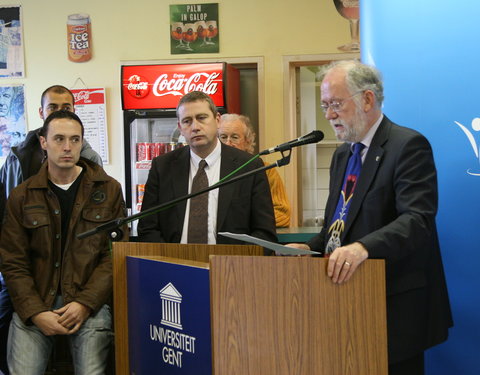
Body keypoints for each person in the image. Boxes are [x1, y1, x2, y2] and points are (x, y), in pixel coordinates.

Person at [288, 60, 452, 375]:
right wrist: (308, 248)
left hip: (392, 307)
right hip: (345, 305)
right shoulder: (342, 155)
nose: (330, 115)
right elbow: (337, 228)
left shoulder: (407, 146)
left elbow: (417, 219)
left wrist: (363, 247)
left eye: (336, 104)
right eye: (325, 106)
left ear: (367, 99)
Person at [0, 110, 126, 374]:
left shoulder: (109, 189)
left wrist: (85, 304)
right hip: (34, 305)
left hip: (88, 305)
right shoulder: (22, 195)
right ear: (43, 142)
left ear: (82, 142)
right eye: (58, 139)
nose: (67, 147)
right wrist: (35, 311)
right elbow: (12, 261)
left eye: (75, 139)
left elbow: (113, 255)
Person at [137, 91, 277, 245]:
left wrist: (235, 264)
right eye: (187, 121)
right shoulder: (162, 167)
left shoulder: (249, 166)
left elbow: (264, 232)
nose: (195, 127)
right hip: (174, 263)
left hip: (230, 264)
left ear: (217, 120)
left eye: (202, 118)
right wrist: (168, 263)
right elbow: (147, 228)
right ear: (180, 128)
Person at [0, 84, 102, 197]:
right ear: (41, 112)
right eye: (52, 107)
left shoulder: (91, 158)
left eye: (66, 108)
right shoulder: (16, 158)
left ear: (74, 111)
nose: (59, 113)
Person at [218, 113, 291, 227]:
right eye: (223, 137)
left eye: (234, 137)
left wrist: (241, 224)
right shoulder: (209, 171)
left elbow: (282, 214)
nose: (228, 143)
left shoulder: (266, 170)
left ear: (248, 141)